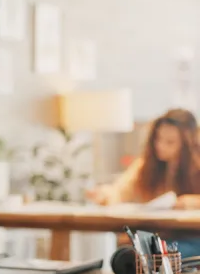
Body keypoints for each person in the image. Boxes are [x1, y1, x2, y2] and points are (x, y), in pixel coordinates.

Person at [86, 107, 200, 256]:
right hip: (157, 237)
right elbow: (121, 190)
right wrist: (104, 194)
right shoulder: (146, 166)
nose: (160, 146)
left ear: (188, 144)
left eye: (170, 142)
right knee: (128, 253)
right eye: (157, 139)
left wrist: (189, 202)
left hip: (190, 238)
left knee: (166, 253)